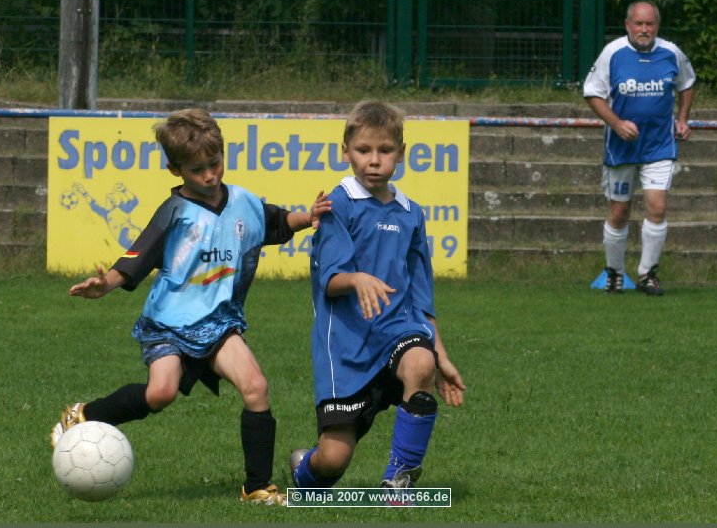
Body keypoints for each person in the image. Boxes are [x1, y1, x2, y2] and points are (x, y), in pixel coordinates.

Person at [49, 108, 331, 506]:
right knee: (160, 394)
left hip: (219, 324)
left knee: (256, 387)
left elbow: (280, 221)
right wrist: (106, 284)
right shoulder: (174, 212)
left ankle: (257, 489)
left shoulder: (244, 203)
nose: (210, 175)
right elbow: (138, 257)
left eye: (214, 164)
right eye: (197, 169)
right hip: (169, 323)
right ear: (174, 169)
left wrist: (310, 216)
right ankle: (82, 415)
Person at [291, 100, 466, 494]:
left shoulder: (411, 213)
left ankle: (398, 477)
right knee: (333, 460)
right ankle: (304, 473)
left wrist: (441, 353)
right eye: (363, 151)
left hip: (398, 329)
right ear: (346, 152)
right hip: (346, 345)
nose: (374, 161)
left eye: (384, 151)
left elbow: (422, 298)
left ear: (401, 154)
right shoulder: (337, 205)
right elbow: (330, 281)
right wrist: (357, 279)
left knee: (420, 364)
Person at [583, 0, 695, 295]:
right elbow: (592, 94)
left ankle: (647, 274)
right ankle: (615, 273)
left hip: (659, 146)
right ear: (627, 25)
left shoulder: (672, 53)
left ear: (657, 26)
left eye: (650, 24)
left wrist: (682, 120)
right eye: (639, 24)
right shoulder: (613, 53)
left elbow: (687, 83)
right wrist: (617, 123)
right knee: (619, 212)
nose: (644, 30)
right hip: (621, 149)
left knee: (657, 207)